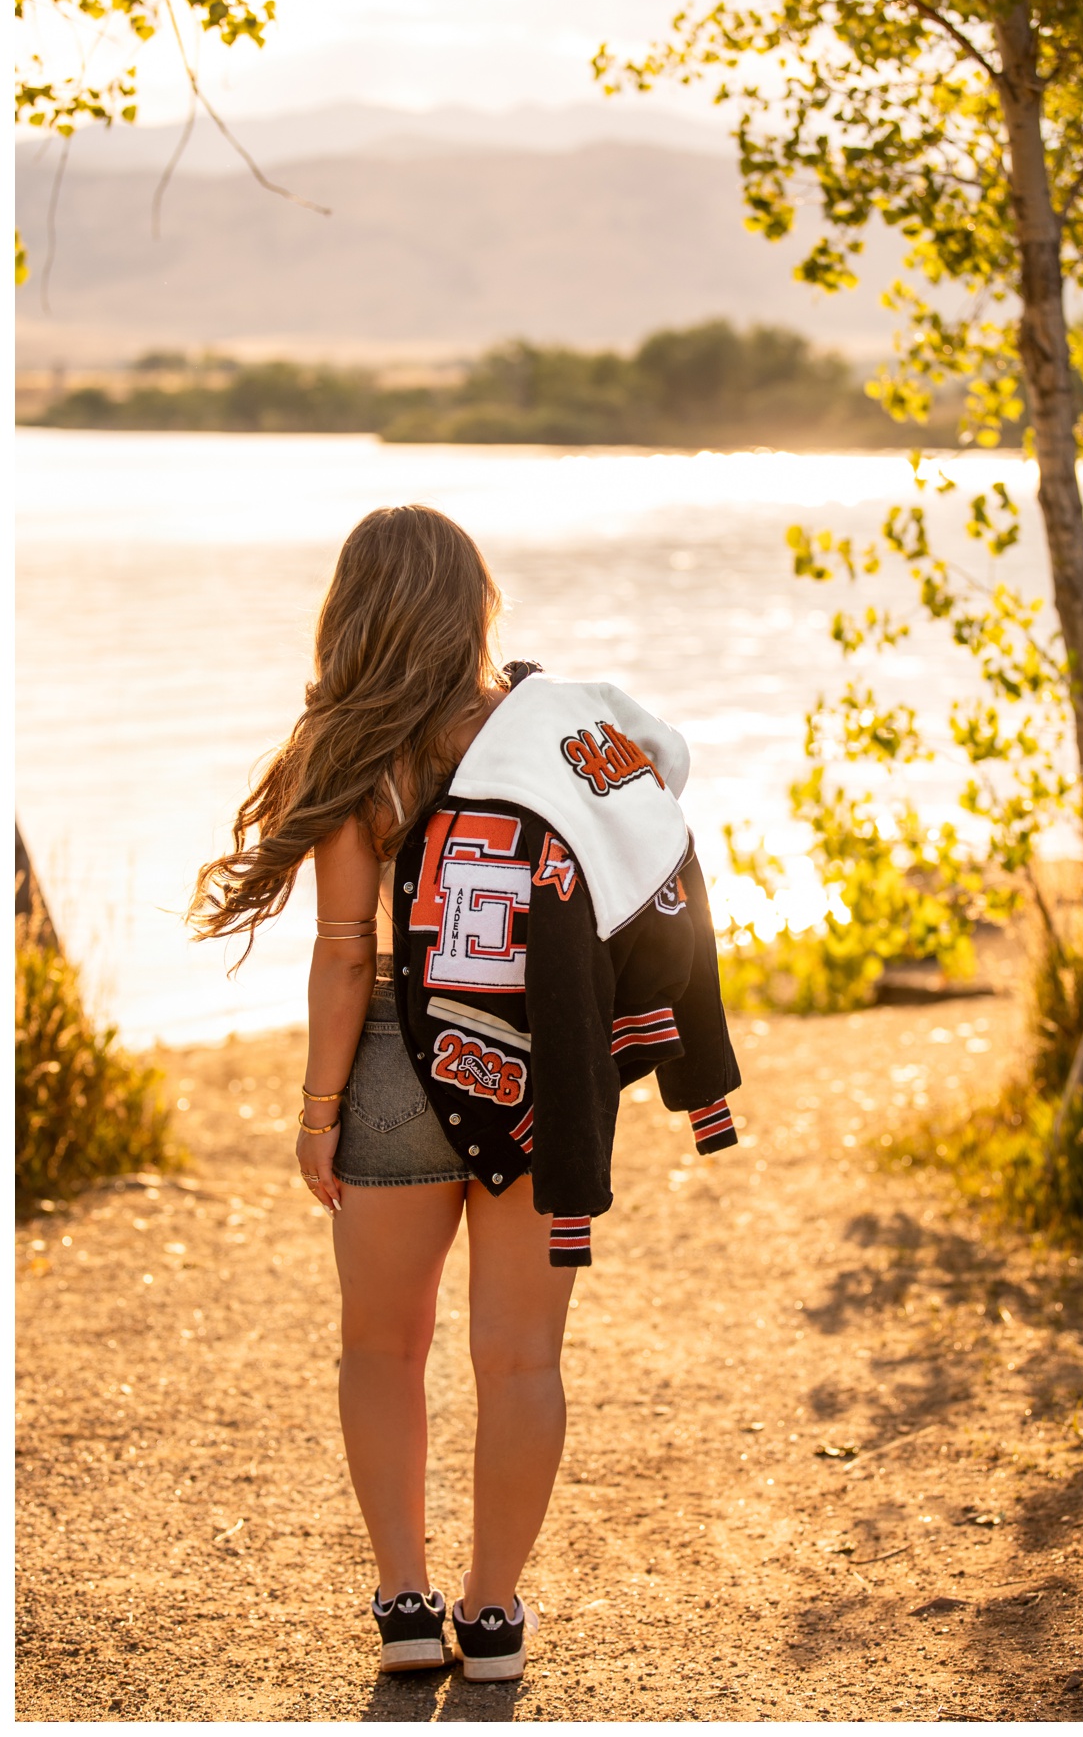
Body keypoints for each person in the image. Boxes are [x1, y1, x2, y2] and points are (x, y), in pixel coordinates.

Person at [190, 506, 740, 1681]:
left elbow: (346, 952)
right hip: (541, 1065)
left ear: (354, 612)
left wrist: (318, 1112)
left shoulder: (348, 750)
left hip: (400, 1056)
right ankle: (491, 1618)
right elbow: (650, 838)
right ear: (474, 602)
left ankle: (402, 1603)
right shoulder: (542, 733)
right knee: (521, 1361)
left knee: (382, 1352)